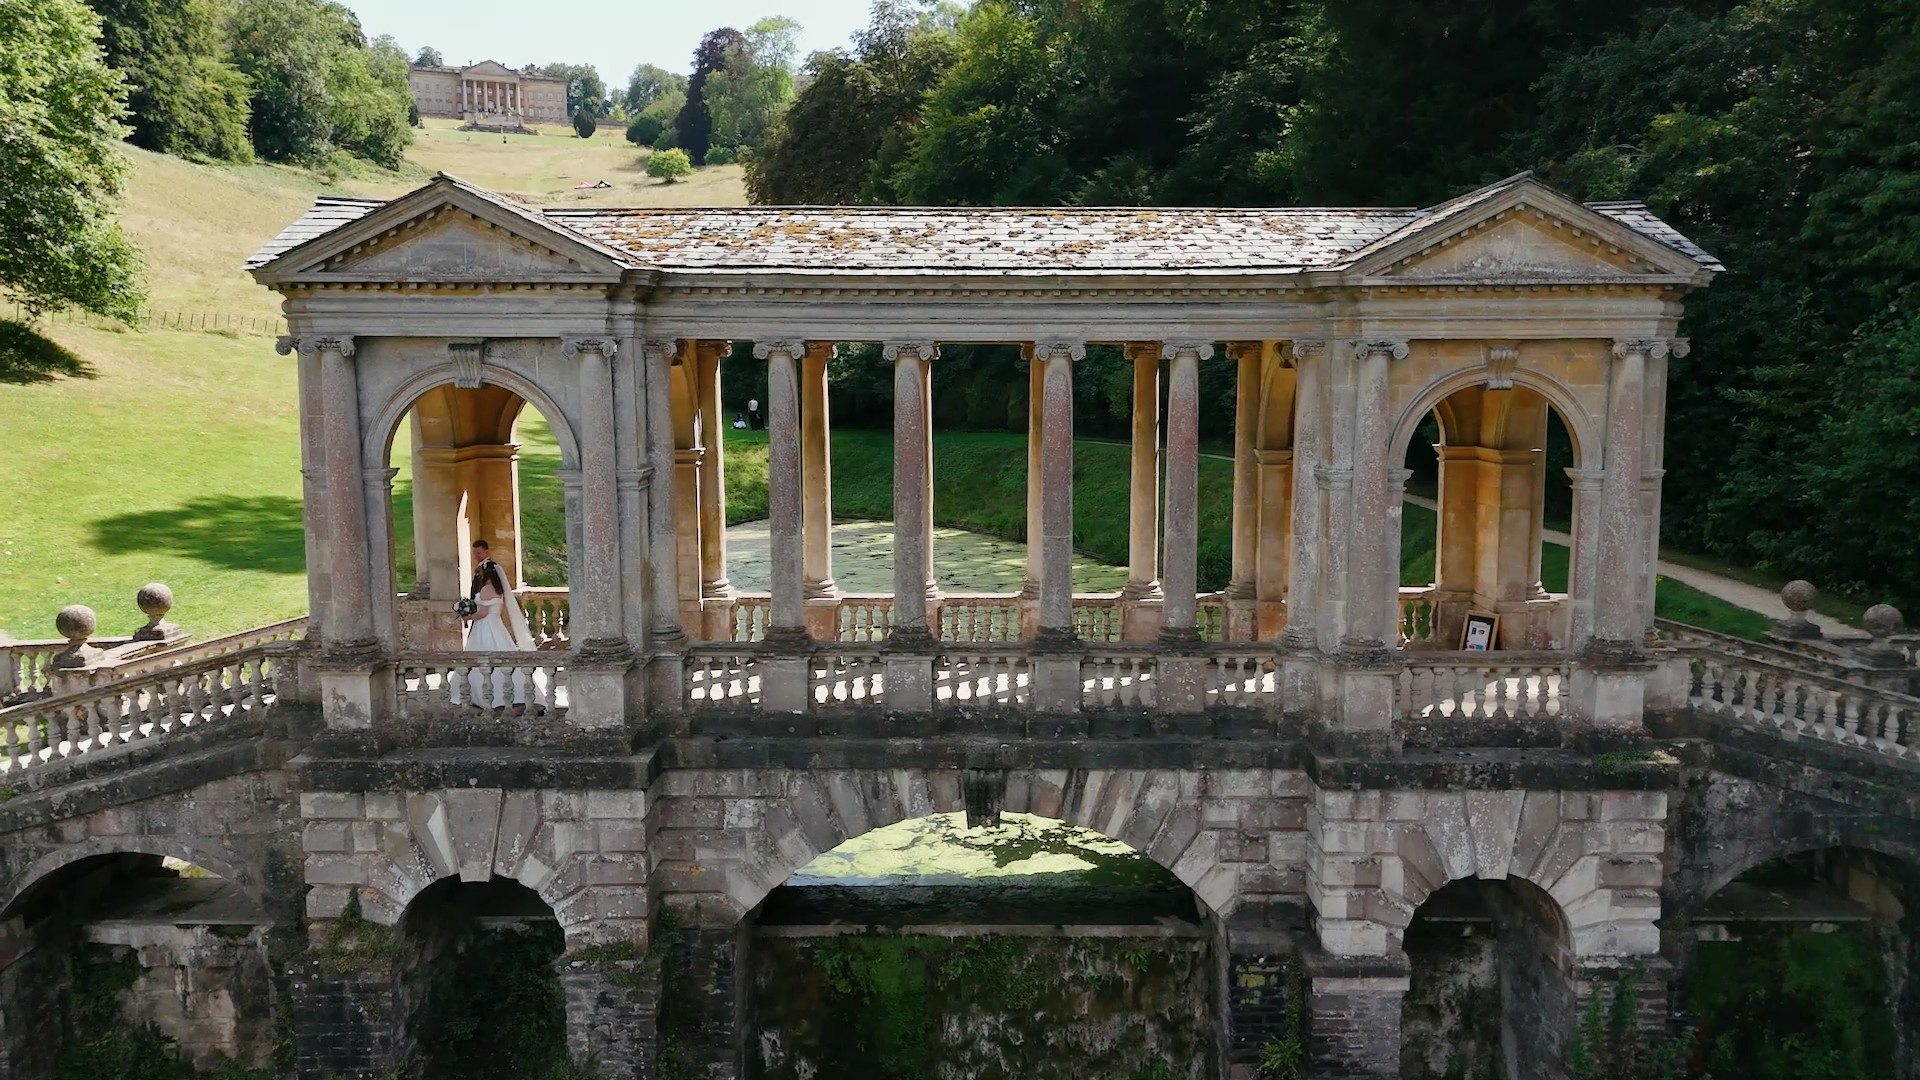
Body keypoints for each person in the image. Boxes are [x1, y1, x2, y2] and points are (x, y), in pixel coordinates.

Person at [453, 540, 537, 711]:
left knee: (482, 658)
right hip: (494, 625)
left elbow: (483, 612)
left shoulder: (486, 589)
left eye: (478, 553)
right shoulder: (497, 591)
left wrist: (468, 616)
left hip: (485, 625)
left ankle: (483, 694)